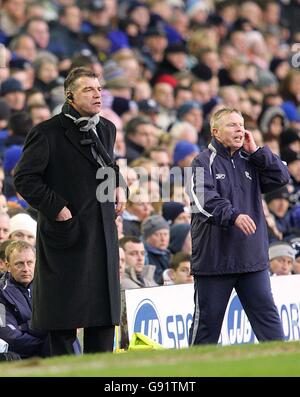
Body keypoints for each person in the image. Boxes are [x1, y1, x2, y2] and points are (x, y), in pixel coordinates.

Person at [14, 67, 127, 356]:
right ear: (70, 96)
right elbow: (24, 178)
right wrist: (57, 208)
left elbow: (107, 166)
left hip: (102, 232)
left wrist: (119, 186)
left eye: (99, 89)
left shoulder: (106, 128)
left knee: (103, 317)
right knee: (63, 319)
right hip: (67, 235)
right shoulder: (47, 132)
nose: (97, 94)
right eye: (88, 89)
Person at [188, 107, 290, 345]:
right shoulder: (202, 161)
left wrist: (257, 151)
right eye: (232, 125)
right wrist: (233, 215)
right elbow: (202, 201)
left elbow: (282, 177)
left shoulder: (251, 159)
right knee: (206, 330)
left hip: (251, 259)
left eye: (242, 124)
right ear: (215, 131)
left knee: (270, 326)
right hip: (215, 262)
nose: (240, 129)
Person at [0, 241, 49, 359]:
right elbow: (11, 338)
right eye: (19, 264)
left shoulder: (49, 287)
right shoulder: (1, 292)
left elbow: (62, 324)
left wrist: (24, 326)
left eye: (30, 263)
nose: (25, 269)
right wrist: (48, 336)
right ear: (8, 266)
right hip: (23, 359)